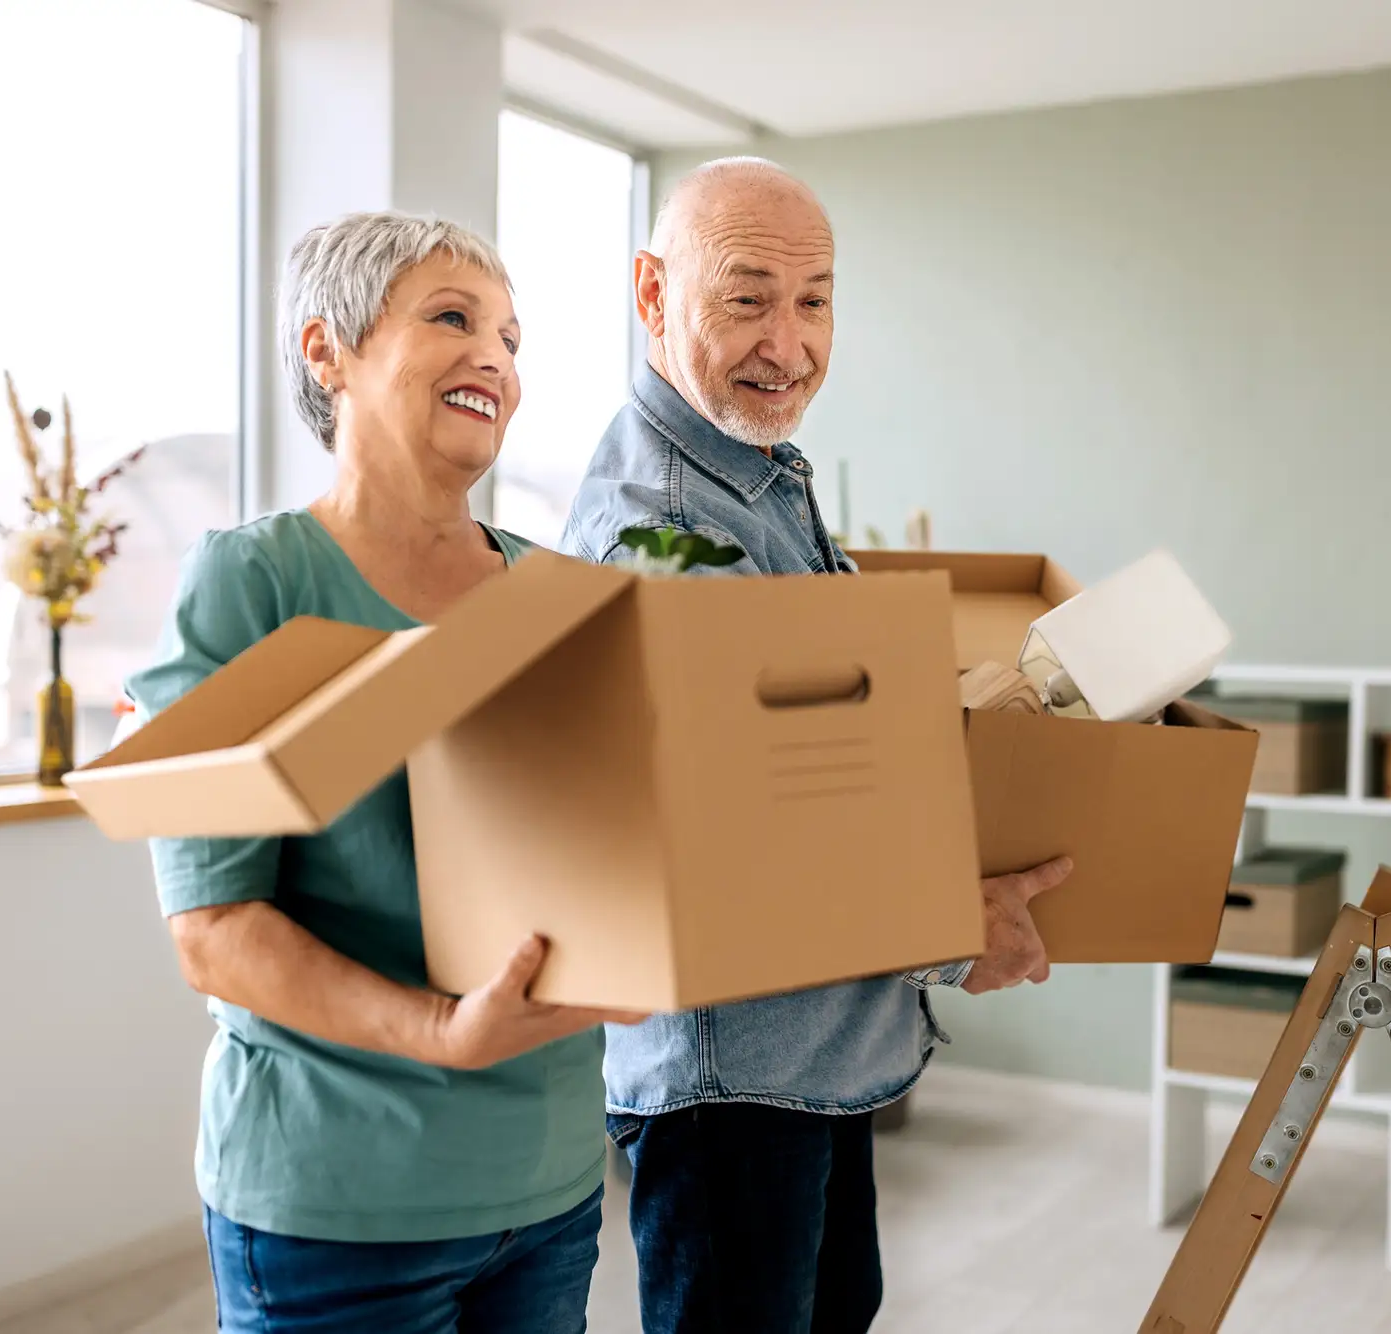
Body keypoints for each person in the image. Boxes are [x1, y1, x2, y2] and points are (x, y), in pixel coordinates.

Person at [562, 158, 1073, 1334]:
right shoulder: (669, 528)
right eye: (745, 298)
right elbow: (746, 824)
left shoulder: (750, 477)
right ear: (651, 292)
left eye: (814, 299)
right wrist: (952, 927)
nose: (786, 344)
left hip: (811, 1051)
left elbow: (831, 735)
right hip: (731, 1075)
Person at [126, 211, 642, 1333]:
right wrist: (436, 1031)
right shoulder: (251, 581)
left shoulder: (565, 598)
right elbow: (211, 924)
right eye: (452, 318)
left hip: (550, 1183)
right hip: (336, 1205)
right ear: (328, 350)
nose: (496, 360)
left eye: (511, 337)